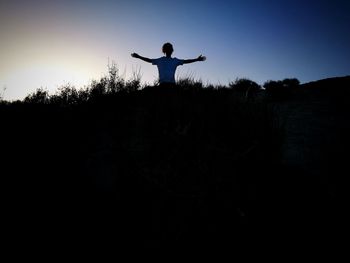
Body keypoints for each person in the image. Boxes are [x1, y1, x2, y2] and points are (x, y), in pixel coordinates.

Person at [131, 42, 206, 85]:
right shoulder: (160, 60)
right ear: (164, 50)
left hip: (172, 86)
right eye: (167, 48)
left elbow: (186, 61)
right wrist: (139, 56)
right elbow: (149, 60)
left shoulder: (175, 60)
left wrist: (196, 59)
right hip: (162, 85)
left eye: (170, 48)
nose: (169, 50)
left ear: (172, 50)